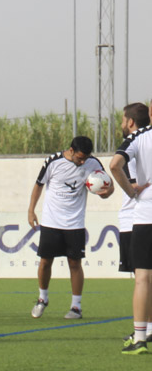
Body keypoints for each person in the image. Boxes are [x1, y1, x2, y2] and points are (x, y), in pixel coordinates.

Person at [28, 136, 113, 319]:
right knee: (45, 261)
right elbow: (38, 185)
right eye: (79, 158)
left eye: (85, 159)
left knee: (75, 263)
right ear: (71, 150)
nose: (82, 162)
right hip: (51, 221)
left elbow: (108, 185)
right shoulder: (54, 162)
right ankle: (42, 299)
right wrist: (31, 210)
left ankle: (76, 307)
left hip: (75, 223)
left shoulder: (93, 163)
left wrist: (107, 192)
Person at [110, 111, 152, 354]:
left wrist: (130, 190)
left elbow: (115, 164)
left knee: (143, 278)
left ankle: (140, 338)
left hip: (147, 214)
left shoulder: (139, 136)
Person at [115, 103, 150, 283]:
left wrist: (132, 190)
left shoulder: (133, 145)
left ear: (130, 122)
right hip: (138, 219)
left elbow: (132, 182)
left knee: (142, 278)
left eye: (123, 120)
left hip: (135, 220)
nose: (121, 125)